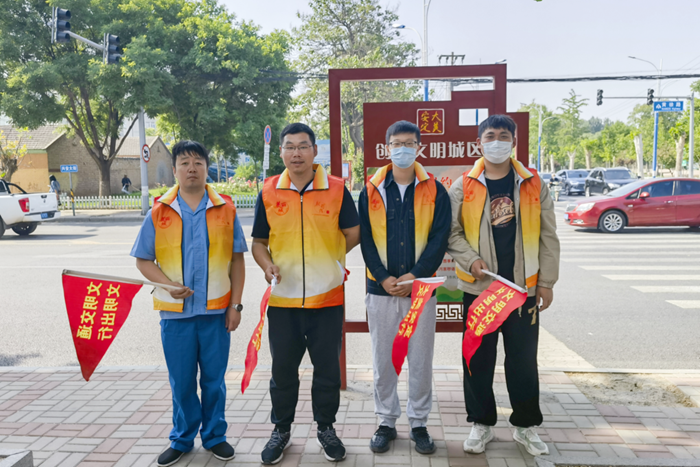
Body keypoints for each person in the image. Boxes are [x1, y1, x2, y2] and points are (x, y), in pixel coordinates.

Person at [447, 115, 560, 457]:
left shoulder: (533, 183)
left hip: (522, 291)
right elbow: (451, 233)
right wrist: (470, 259)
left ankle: (525, 426)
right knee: (478, 360)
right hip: (481, 290)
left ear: (514, 142)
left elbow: (548, 235)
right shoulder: (464, 185)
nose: (497, 142)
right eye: (490, 136)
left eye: (503, 136)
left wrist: (546, 282)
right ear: (479, 143)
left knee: (523, 362)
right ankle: (481, 423)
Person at [130, 140, 247, 467]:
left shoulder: (226, 209)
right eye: (184, 163)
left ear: (207, 168)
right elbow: (143, 260)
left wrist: (235, 306)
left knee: (214, 381)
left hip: (216, 314)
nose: (191, 168)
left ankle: (215, 436)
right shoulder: (159, 211)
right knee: (182, 382)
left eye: (198, 162)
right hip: (175, 316)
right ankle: (182, 438)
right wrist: (167, 285)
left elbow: (238, 261)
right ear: (175, 170)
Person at [251, 123, 360, 464]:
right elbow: (258, 243)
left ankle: (326, 429)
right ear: (281, 152)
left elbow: (353, 233)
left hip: (327, 300)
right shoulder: (269, 191)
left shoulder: (337, 189)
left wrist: (331, 260)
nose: (296, 153)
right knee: (283, 371)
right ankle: (281, 430)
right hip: (283, 301)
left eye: (302, 146)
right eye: (289, 146)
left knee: (327, 370)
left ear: (314, 151)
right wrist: (267, 265)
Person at [358, 120, 450, 455]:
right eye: (397, 144)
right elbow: (365, 239)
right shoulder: (371, 189)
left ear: (419, 148)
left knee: (420, 360)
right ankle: (385, 421)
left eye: (409, 143)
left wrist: (415, 276)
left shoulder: (435, 190)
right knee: (383, 360)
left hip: (420, 291)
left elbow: (439, 239)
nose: (403, 149)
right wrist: (382, 276)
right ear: (387, 148)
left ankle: (419, 423)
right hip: (380, 290)